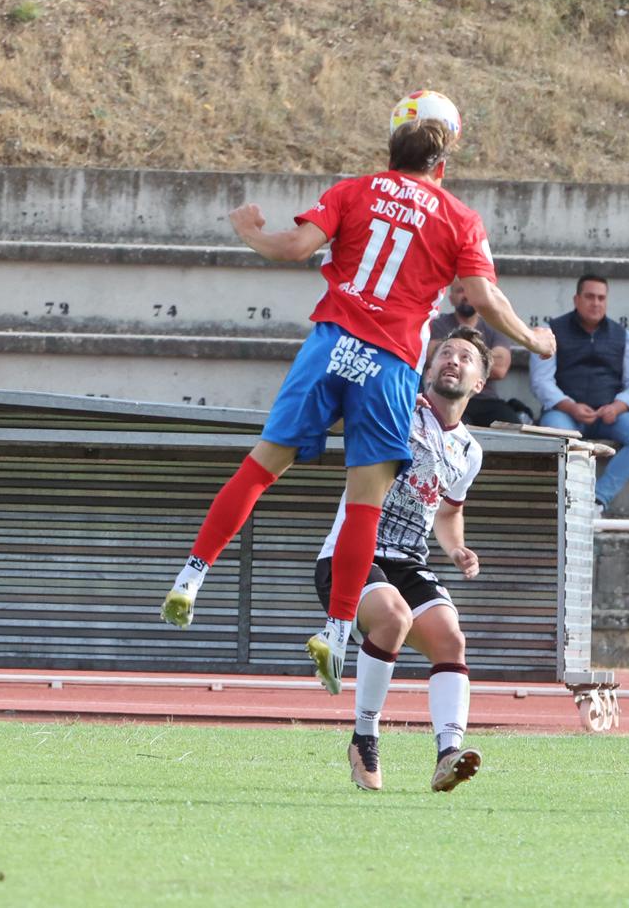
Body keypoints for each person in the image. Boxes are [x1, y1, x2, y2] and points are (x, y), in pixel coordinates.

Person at [158, 109, 556, 698]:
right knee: (365, 503)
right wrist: (530, 339)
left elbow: (294, 247)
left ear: (390, 153)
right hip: (390, 361)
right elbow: (481, 295)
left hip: (330, 344)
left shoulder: (353, 190)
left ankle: (191, 578)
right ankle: (338, 627)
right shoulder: (458, 217)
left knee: (261, 466)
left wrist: (248, 230)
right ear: (441, 167)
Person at [322, 327, 490, 793]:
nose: (452, 360)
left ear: (479, 382)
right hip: (351, 552)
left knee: (451, 640)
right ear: (429, 367)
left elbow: (449, 511)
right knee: (392, 618)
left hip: (408, 560)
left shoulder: (470, 451)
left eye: (465, 357)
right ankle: (364, 737)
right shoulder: (398, 406)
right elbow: (343, 415)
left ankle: (447, 754)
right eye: (444, 353)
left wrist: (456, 548)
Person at [529, 274, 629, 512]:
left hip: (609, 415)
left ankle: (597, 500)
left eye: (601, 298)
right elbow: (540, 382)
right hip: (565, 413)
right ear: (576, 299)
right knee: (555, 435)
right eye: (589, 297)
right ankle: (565, 501)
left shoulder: (624, 336)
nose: (595, 303)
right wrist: (570, 406)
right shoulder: (551, 332)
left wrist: (618, 407)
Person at [427, 280, 528, 426]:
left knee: (515, 430)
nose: (466, 295)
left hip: (487, 400)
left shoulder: (495, 326)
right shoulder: (437, 325)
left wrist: (448, 349)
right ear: (451, 299)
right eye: (460, 290)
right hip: (448, 397)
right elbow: (432, 358)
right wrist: (479, 358)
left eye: (470, 291)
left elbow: (500, 369)